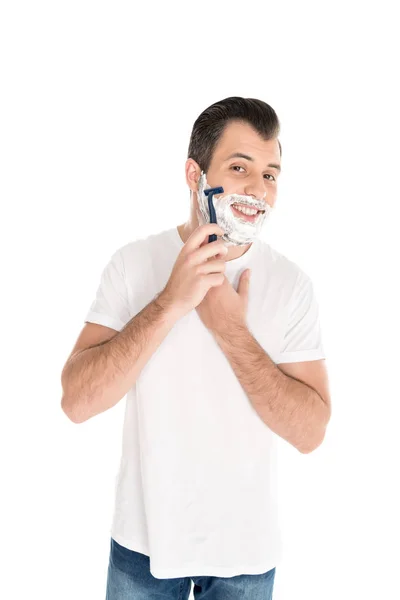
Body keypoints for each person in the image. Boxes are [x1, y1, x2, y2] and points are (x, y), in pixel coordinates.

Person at [61, 96, 331, 599]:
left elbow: (311, 432)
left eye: (271, 174)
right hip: (142, 546)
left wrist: (231, 332)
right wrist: (169, 302)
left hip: (246, 558)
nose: (258, 189)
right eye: (239, 167)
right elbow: (76, 402)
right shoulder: (133, 264)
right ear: (194, 174)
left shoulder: (292, 285)